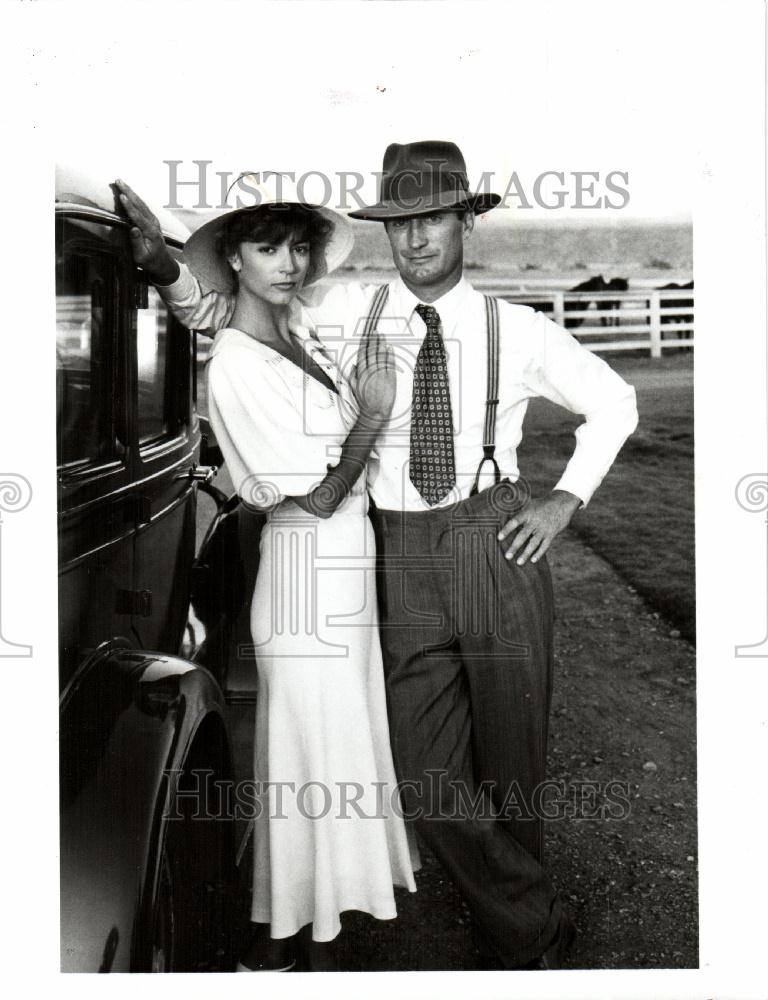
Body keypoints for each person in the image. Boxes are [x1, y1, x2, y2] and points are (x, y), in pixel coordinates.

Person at [116, 140, 638, 970]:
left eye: (434, 218)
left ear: (465, 222)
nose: (418, 239)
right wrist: (166, 271)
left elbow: (615, 401)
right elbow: (227, 317)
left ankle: (523, 941)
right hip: (392, 547)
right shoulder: (342, 309)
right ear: (385, 234)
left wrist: (564, 499)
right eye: (401, 223)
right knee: (427, 771)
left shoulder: (519, 330)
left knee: (513, 757)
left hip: (493, 537)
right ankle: (525, 909)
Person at [121, 175, 417, 972]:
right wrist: (375, 420)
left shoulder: (296, 331)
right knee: (302, 754)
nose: (288, 262)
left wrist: (168, 270)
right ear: (236, 258)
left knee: (339, 745)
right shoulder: (237, 369)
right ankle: (277, 938)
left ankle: (316, 922)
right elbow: (319, 498)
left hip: (345, 571)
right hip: (303, 573)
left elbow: (208, 310)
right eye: (266, 247)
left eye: (296, 246)